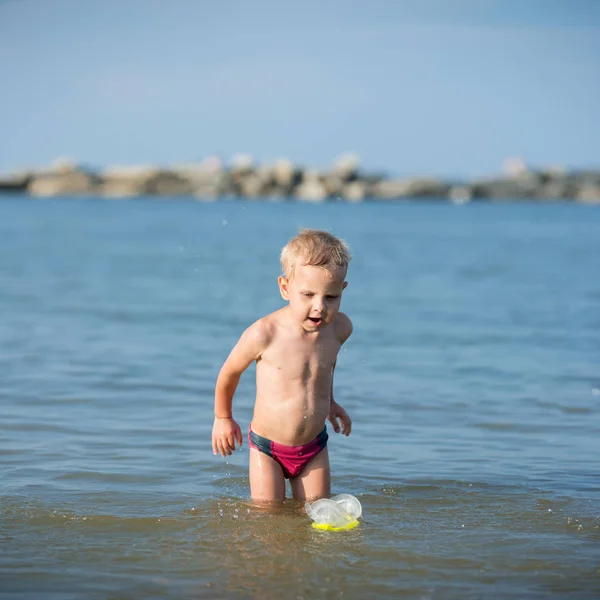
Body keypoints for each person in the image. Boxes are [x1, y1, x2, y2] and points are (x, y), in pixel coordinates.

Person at [211, 228, 353, 504]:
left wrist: (331, 401)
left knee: (316, 513)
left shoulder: (340, 329)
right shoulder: (265, 333)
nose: (319, 307)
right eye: (308, 295)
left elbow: (325, 366)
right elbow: (229, 373)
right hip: (269, 449)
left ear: (342, 290)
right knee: (268, 517)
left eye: (330, 297)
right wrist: (223, 418)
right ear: (285, 287)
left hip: (314, 446)